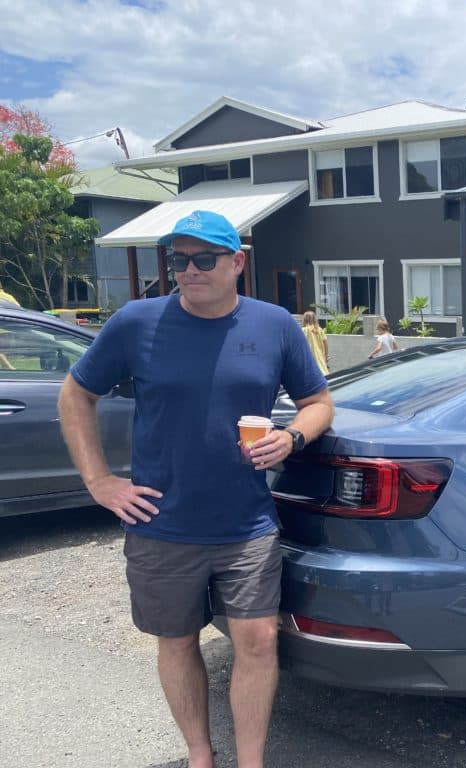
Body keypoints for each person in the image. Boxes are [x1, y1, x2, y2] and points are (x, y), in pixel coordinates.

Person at [57, 210, 335, 768]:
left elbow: (319, 403)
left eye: (203, 258)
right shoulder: (136, 322)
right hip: (162, 523)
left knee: (257, 641)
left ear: (237, 263)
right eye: (177, 259)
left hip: (248, 525)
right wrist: (100, 481)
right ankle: (200, 756)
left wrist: (291, 438)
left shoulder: (275, 324)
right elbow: (75, 394)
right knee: (178, 642)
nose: (187, 270)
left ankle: (250, 761)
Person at [301, 310, 329, 375]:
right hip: (320, 355)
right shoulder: (319, 329)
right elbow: (325, 343)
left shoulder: (303, 330)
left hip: (309, 356)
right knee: (323, 372)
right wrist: (326, 355)